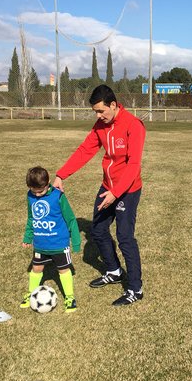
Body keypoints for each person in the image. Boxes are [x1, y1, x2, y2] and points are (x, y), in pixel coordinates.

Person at [53, 85, 146, 306]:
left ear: (113, 105)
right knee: (98, 229)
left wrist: (115, 194)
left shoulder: (134, 126)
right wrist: (60, 175)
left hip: (128, 189)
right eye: (95, 112)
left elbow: (133, 165)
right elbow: (85, 151)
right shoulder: (100, 126)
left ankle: (135, 288)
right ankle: (114, 271)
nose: (98, 116)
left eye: (101, 111)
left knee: (125, 237)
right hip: (108, 186)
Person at [21, 166, 81, 313]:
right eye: (34, 191)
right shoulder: (30, 196)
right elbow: (31, 218)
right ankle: (31, 294)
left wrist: (76, 241)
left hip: (59, 244)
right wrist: (28, 237)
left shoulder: (58, 197)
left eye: (40, 191)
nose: (37, 195)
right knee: (36, 269)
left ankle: (70, 297)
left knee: (63, 270)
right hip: (40, 244)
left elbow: (71, 219)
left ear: (48, 183)